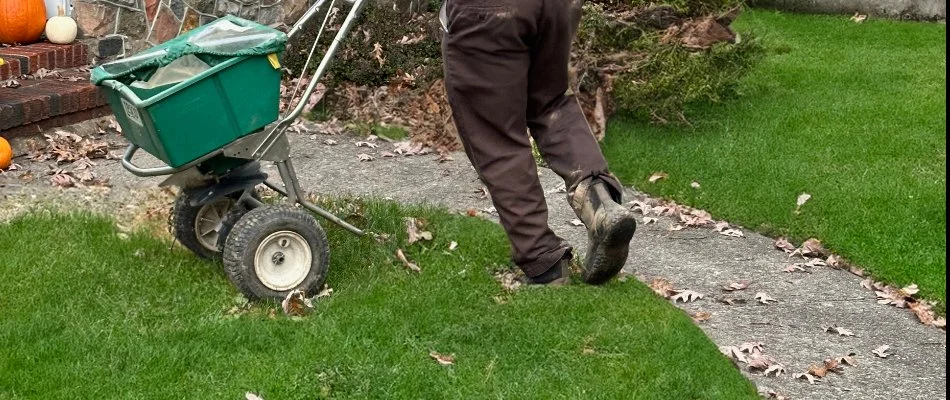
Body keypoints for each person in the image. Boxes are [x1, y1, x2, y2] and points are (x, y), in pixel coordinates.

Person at [439, 0, 637, 286]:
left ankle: (545, 260)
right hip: (556, 6)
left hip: (489, 11)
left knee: (495, 135)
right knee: (551, 103)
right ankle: (599, 202)